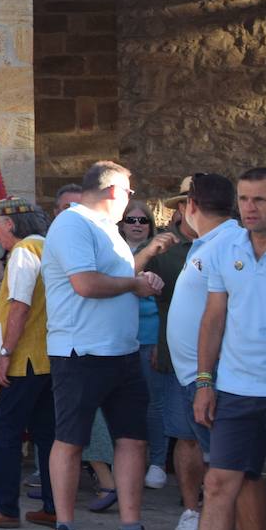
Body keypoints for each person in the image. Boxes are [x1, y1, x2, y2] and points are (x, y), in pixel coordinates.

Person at [40, 159, 179, 530]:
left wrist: (143, 276)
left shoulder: (110, 233)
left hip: (122, 352)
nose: (131, 199)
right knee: (71, 441)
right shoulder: (72, 224)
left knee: (133, 439)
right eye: (130, 191)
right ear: (115, 191)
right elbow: (85, 284)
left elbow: (118, 278)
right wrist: (134, 283)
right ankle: (64, 529)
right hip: (80, 353)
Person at [154, 167, 266, 530]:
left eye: (260, 199)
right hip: (234, 388)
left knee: (242, 481)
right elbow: (213, 318)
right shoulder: (229, 248)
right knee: (220, 483)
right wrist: (206, 382)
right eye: (244, 198)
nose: (250, 207)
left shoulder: (220, 242)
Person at [0, 197, 57, 529]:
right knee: (47, 433)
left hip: (26, 358)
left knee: (6, 429)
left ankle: (4, 506)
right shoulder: (47, 247)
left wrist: (5, 354)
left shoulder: (23, 254)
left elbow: (19, 306)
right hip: (49, 357)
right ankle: (52, 503)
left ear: (12, 224)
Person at [163, 174, 239, 530]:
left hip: (211, 377)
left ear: (191, 206)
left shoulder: (228, 243)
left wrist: (208, 378)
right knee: (212, 458)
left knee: (229, 467)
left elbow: (225, 315)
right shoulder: (204, 244)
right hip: (192, 375)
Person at [121, 198, 173, 490]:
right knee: (126, 404)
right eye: (132, 220)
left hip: (150, 335)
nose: (137, 225)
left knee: (154, 402)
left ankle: (157, 461)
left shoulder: (160, 253)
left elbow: (166, 301)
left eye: (143, 221)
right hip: (121, 336)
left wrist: (161, 343)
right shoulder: (113, 251)